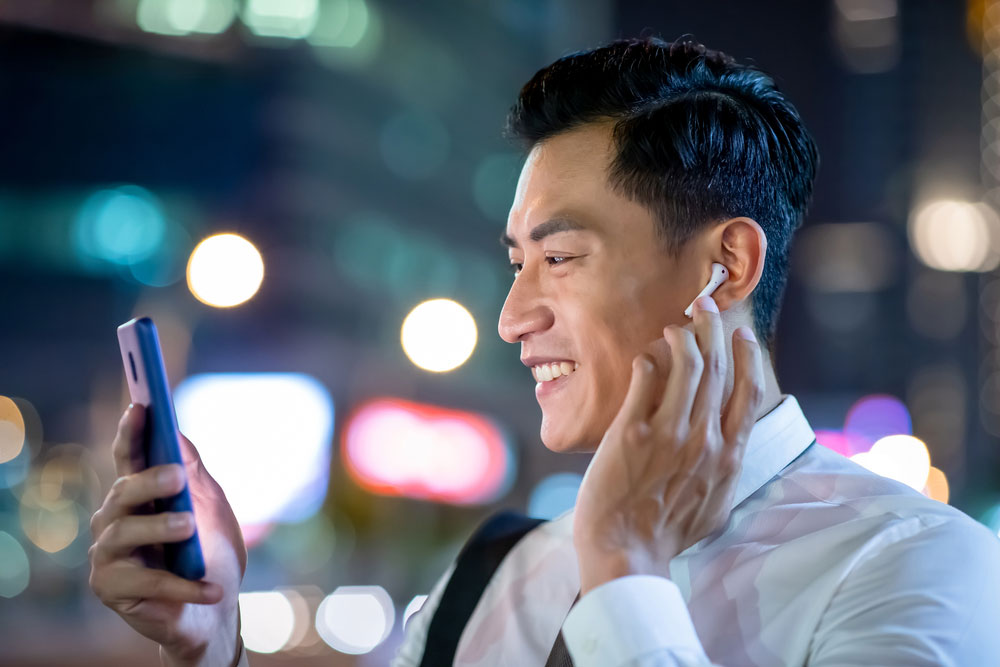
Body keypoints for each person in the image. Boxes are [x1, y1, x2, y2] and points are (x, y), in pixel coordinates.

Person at [88, 36, 1000, 667]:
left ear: (726, 265)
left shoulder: (916, 564)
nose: (513, 316)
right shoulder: (488, 578)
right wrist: (213, 643)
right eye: (517, 263)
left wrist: (626, 574)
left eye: (559, 258)